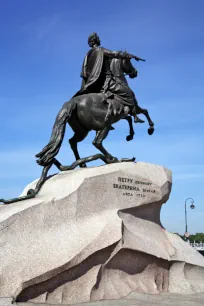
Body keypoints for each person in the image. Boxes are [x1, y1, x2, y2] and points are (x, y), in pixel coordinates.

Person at [73, 32, 144, 123]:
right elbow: (114, 53)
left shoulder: (88, 55)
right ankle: (134, 116)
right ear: (95, 41)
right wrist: (128, 55)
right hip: (107, 81)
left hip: (94, 84)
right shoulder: (100, 50)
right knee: (128, 93)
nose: (100, 40)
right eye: (98, 38)